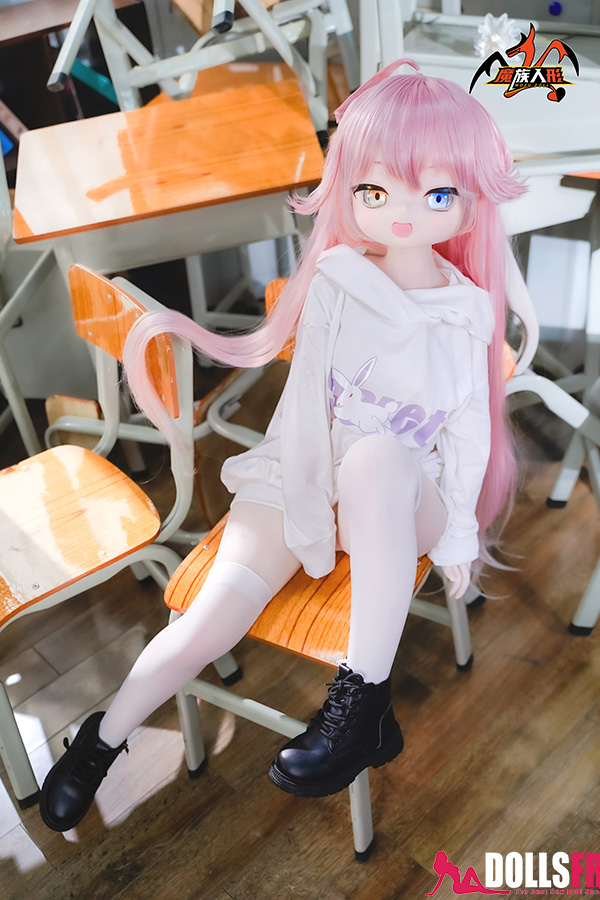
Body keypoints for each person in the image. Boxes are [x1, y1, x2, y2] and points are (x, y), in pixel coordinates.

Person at [39, 58, 526, 831]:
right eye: (376, 192)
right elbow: (302, 410)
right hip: (306, 464)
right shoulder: (338, 279)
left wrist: (461, 533)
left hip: (408, 493)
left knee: (378, 456)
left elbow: (468, 433)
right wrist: (303, 505)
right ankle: (99, 741)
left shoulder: (468, 311)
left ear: (470, 200)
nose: (402, 215)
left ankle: (357, 705)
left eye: (435, 195)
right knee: (210, 618)